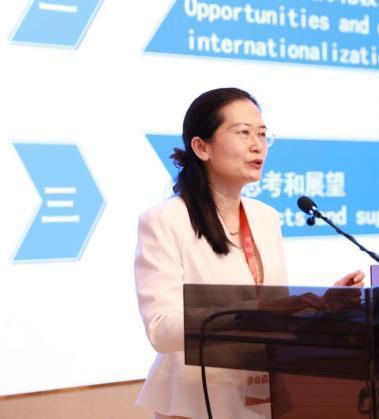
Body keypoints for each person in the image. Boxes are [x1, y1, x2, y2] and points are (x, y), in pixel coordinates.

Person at [134, 88, 365, 419]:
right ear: (201, 147)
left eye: (262, 134)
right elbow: (161, 330)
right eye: (243, 133)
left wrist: (319, 306)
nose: (258, 145)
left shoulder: (265, 218)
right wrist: (251, 312)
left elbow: (273, 316)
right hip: (197, 402)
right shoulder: (165, 220)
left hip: (263, 393)